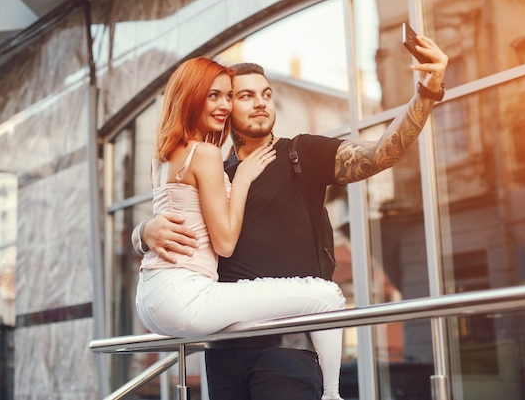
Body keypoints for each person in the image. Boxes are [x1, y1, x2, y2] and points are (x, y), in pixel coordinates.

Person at [133, 34, 448, 400]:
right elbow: (176, 215)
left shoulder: (302, 153)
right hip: (222, 351)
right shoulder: (215, 170)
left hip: (286, 353)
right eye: (243, 96)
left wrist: (427, 92)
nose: (260, 104)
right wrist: (143, 232)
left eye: (266, 94)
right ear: (221, 106)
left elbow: (381, 154)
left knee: (324, 298)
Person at [134, 56, 347, 400]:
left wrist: (141, 232)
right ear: (191, 96)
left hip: (150, 296)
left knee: (261, 320)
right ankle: (333, 395)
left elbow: (175, 215)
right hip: (187, 297)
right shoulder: (204, 154)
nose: (223, 105)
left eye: (227, 97)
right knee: (326, 296)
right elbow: (226, 243)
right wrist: (244, 178)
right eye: (213, 96)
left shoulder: (161, 156)